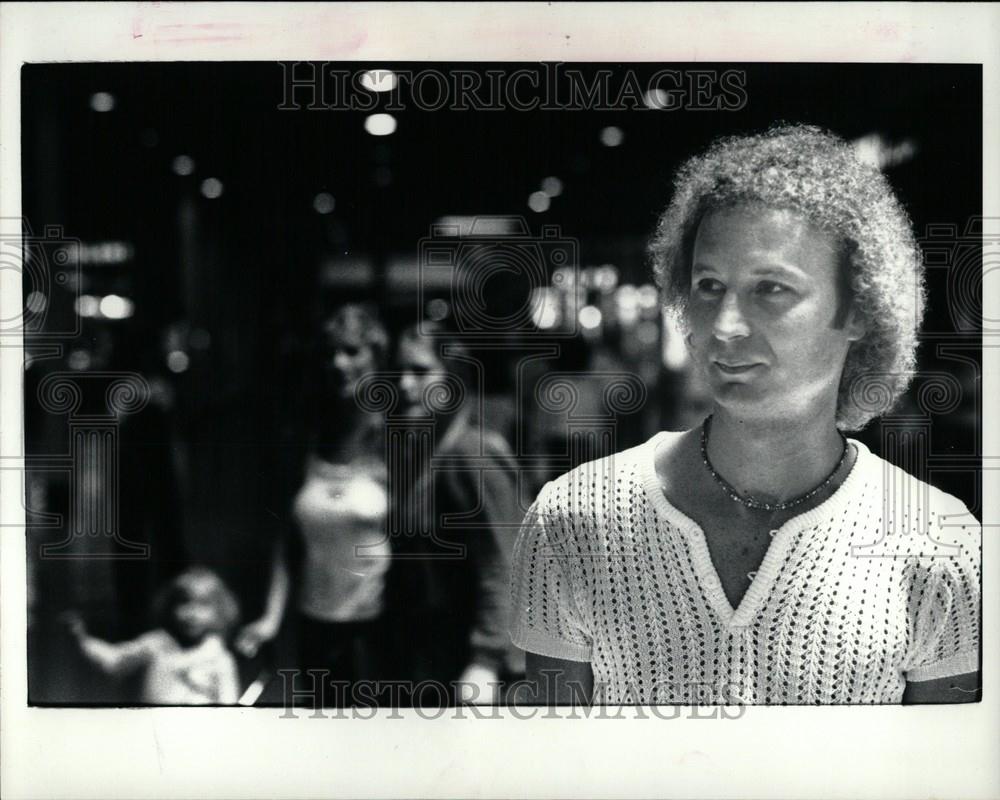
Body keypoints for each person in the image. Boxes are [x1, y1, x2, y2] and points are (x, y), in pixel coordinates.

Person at [509, 124, 982, 705]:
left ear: (860, 308)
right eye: (708, 285)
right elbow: (555, 775)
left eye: (772, 288)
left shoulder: (937, 542)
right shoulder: (573, 519)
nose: (726, 325)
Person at [235, 304, 391, 707]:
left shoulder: (398, 438)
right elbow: (288, 540)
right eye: (329, 353)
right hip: (315, 626)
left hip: (378, 632)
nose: (339, 363)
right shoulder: (309, 436)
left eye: (352, 351)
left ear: (377, 356)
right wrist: (271, 617)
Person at [386, 322, 524, 705]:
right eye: (398, 372)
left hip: (471, 668)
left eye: (419, 371)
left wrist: (486, 660)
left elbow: (505, 562)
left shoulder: (471, 453)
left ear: (451, 381)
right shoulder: (427, 452)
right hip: (433, 656)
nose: (403, 385)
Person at [67, 566, 241, 705]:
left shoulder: (219, 658)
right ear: (170, 606)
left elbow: (229, 708)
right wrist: (82, 640)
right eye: (184, 602)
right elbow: (115, 660)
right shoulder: (155, 644)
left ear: (219, 611)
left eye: (203, 605)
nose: (192, 613)